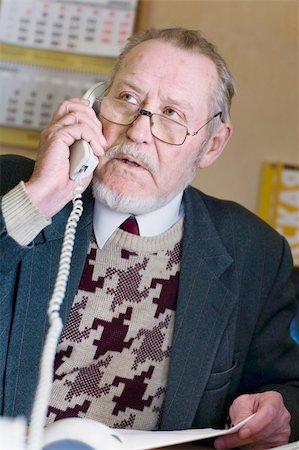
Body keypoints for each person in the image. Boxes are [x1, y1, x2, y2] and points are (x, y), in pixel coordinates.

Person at [0, 27, 298, 449]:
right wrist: (37, 201)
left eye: (172, 115)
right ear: (94, 103)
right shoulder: (13, 187)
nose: (138, 132)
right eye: (126, 100)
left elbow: (286, 388)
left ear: (212, 146)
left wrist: (275, 410)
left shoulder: (254, 252)